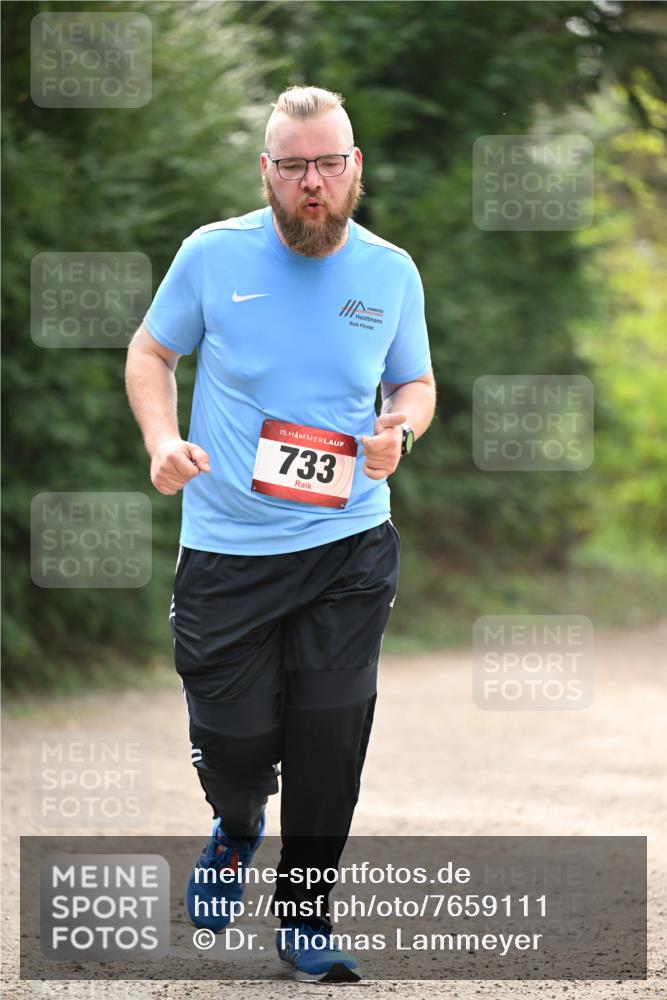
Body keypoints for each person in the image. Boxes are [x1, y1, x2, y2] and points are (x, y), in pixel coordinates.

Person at [125, 84, 436, 983]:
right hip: (227, 550)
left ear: (354, 169)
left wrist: (399, 432)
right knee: (233, 747)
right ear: (266, 171)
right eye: (294, 165)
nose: (312, 182)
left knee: (328, 738)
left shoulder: (390, 272)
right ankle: (234, 823)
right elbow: (153, 351)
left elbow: (412, 383)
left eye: (328, 164)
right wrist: (161, 440)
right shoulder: (212, 255)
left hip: (348, 545)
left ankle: (305, 920)